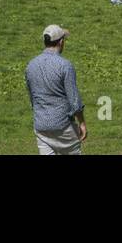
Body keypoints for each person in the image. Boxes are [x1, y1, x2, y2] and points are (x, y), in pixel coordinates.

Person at [25, 25, 87, 155]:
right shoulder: (65, 65)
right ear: (61, 42)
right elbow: (74, 100)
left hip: (41, 127)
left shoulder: (31, 65)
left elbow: (32, 97)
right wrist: (82, 122)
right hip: (63, 127)